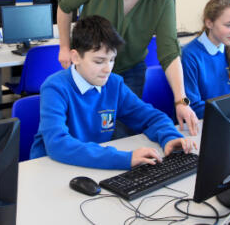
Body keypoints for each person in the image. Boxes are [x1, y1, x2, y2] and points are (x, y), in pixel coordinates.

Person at [56, 0, 198, 135]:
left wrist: (181, 101)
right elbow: (65, 5)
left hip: (130, 71)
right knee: (83, 130)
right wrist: (64, 46)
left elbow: (170, 51)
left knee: (123, 134)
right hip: (89, 69)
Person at [30, 15, 196, 170]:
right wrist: (124, 159)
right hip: (52, 168)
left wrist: (170, 137)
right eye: (99, 61)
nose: (107, 69)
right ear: (75, 57)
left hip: (92, 165)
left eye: (112, 60)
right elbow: (57, 144)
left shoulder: (114, 84)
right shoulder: (55, 87)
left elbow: (151, 117)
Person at [182, 0, 230, 119]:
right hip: (200, 123)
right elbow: (192, 106)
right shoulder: (189, 55)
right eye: (228, 25)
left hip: (224, 118)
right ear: (209, 23)